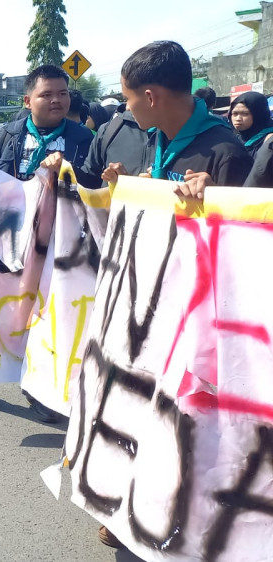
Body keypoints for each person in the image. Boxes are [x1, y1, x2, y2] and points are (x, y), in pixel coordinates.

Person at [97, 41, 253, 548]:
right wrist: (131, 190)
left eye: (128, 100)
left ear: (150, 96)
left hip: (199, 322)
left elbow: (245, 246)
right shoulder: (156, 140)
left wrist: (219, 199)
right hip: (153, 308)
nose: (126, 110)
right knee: (143, 405)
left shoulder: (225, 152)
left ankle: (185, 522)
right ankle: (134, 504)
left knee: (187, 421)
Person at [0, 64, 94, 423]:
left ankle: (36, 389)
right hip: (4, 242)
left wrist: (70, 171)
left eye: (62, 93)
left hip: (57, 248)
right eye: (47, 94)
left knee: (44, 316)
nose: (57, 100)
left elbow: (96, 187)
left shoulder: (83, 139)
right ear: (27, 100)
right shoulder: (4, 135)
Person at [110, 41, 251, 195]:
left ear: (150, 98)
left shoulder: (228, 155)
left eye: (128, 99)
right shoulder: (159, 136)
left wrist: (214, 197)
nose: (127, 107)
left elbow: (243, 209)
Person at [229, 91, 273, 159]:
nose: (238, 119)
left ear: (258, 115)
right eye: (235, 114)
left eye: (245, 114)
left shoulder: (269, 141)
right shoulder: (233, 138)